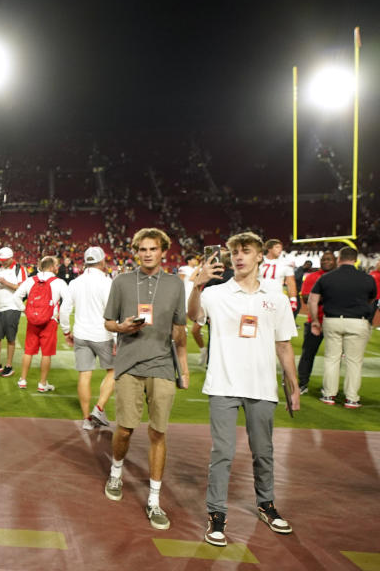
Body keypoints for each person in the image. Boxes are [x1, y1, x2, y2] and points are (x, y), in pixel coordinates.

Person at [188, 232, 300, 547]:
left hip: (262, 385)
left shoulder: (276, 296)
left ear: (259, 256)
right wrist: (197, 285)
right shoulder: (215, 293)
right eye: (235, 251)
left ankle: (266, 505)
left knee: (264, 452)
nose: (238, 256)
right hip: (223, 383)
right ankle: (216, 515)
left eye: (245, 251)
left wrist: (293, 386)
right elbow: (193, 315)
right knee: (222, 452)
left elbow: (284, 345)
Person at [102, 227, 189, 531]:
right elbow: (108, 322)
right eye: (142, 249)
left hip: (163, 365)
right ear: (136, 251)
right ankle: (116, 471)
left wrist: (184, 367)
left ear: (164, 251)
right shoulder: (122, 281)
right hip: (128, 363)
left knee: (158, 432)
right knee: (125, 429)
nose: (147, 254)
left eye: (153, 249)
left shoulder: (176, 285)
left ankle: (153, 499)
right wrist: (121, 327)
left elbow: (180, 331)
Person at [307, 247, 377, 408]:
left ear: (339, 259)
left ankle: (329, 395)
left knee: (332, 359)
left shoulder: (327, 278)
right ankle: (352, 398)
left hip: (332, 320)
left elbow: (312, 300)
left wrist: (315, 321)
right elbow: (371, 299)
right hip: (358, 321)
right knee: (354, 362)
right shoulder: (368, 278)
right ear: (356, 259)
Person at [59, 246, 116, 430]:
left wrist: (67, 331)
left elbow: (64, 310)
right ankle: (98, 408)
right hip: (103, 334)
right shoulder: (107, 282)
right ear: (102, 262)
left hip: (81, 334)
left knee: (84, 375)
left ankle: (87, 420)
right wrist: (116, 337)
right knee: (114, 371)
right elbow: (113, 311)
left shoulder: (75, 282)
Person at [14, 255, 69, 392]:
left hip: (32, 320)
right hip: (50, 321)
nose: (57, 267)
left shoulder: (30, 280)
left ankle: (23, 380)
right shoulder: (59, 282)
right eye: (56, 265)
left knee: (28, 351)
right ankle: (42, 383)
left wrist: (25, 310)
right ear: (51, 267)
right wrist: (64, 325)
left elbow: (16, 297)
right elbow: (67, 302)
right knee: (46, 353)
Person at [296, 251, 337, 394]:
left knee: (334, 357)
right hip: (314, 321)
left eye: (329, 259)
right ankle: (302, 383)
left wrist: (319, 296)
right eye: (323, 259)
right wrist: (332, 296)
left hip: (335, 322)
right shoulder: (312, 277)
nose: (325, 261)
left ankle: (330, 387)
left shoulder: (339, 277)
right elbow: (306, 298)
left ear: (336, 261)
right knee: (308, 354)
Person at [0, 246, 26, 377]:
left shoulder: (19, 269)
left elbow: (22, 288)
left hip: (12, 307)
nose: (2, 262)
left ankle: (9, 365)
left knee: (10, 338)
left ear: (11, 258)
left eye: (4, 260)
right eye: (1, 259)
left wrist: (5, 282)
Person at [260, 239, 298, 317]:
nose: (280, 249)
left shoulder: (285, 263)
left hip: (275, 297)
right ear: (269, 248)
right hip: (258, 296)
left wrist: (293, 299)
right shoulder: (258, 260)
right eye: (277, 247)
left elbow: (291, 282)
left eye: (281, 247)